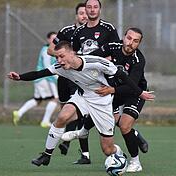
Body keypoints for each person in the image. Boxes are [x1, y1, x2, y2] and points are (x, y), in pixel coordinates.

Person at [7, 41, 154, 167]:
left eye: (62, 56)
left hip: (101, 101)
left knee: (107, 150)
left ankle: (119, 155)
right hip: (82, 96)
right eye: (57, 57)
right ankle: (46, 155)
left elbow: (121, 75)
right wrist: (20, 77)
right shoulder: (61, 68)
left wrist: (139, 93)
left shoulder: (95, 62)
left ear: (72, 54)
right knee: (62, 117)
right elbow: (40, 73)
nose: (59, 60)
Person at [62, 27, 149, 172]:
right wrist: (73, 62)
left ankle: (135, 162)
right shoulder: (112, 47)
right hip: (115, 90)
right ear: (124, 37)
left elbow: (131, 86)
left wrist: (111, 90)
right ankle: (83, 131)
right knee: (106, 115)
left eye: (135, 41)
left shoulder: (138, 60)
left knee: (124, 125)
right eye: (128, 38)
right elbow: (91, 58)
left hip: (135, 92)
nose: (130, 43)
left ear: (139, 43)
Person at [66, 0, 120, 163]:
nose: (92, 10)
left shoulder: (108, 29)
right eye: (89, 7)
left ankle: (135, 139)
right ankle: (85, 154)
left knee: (117, 119)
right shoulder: (79, 31)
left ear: (100, 9)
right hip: (86, 81)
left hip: (106, 80)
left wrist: (99, 62)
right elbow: (73, 55)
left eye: (95, 6)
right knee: (84, 112)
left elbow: (116, 52)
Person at [49, 2, 90, 159]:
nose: (84, 16)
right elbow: (50, 50)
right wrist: (65, 56)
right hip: (64, 77)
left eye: (86, 13)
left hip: (81, 78)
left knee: (76, 110)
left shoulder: (93, 33)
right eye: (81, 13)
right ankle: (82, 153)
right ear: (76, 15)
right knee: (65, 110)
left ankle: (81, 151)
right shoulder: (67, 31)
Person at [12, 32, 58, 128]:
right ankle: (45, 121)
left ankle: (19, 113)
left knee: (38, 100)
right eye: (53, 38)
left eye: (56, 38)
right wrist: (57, 77)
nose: (55, 40)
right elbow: (47, 68)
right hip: (45, 79)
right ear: (48, 40)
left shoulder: (50, 50)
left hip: (40, 80)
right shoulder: (47, 51)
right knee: (55, 99)